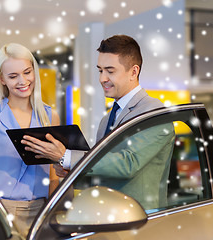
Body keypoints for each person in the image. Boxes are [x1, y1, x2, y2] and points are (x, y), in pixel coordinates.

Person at [21, 34, 175, 209]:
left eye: (110, 71)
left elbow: (128, 164)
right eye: (100, 70)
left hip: (140, 220)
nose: (102, 78)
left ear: (134, 72)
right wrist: (70, 170)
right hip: (107, 216)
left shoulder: (153, 112)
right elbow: (103, 172)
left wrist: (68, 157)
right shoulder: (106, 119)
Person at [0, 43, 60, 237]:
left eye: (27, 72)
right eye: (13, 76)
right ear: (1, 79)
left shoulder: (49, 116)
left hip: (40, 212)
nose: (23, 81)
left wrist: (52, 213)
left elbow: (54, 174)